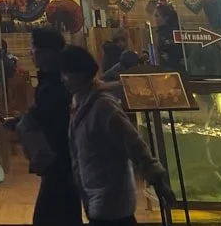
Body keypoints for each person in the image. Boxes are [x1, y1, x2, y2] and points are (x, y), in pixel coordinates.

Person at [60, 46, 174, 226]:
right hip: (95, 195)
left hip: (112, 198)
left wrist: (156, 179)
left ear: (82, 74)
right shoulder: (80, 105)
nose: (63, 79)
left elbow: (133, 143)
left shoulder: (103, 106)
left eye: (68, 73)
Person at [18, 27, 81, 226]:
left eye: (34, 49)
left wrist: (29, 124)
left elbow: (55, 126)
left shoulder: (55, 86)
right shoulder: (57, 81)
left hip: (58, 164)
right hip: (64, 165)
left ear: (48, 53)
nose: (31, 53)